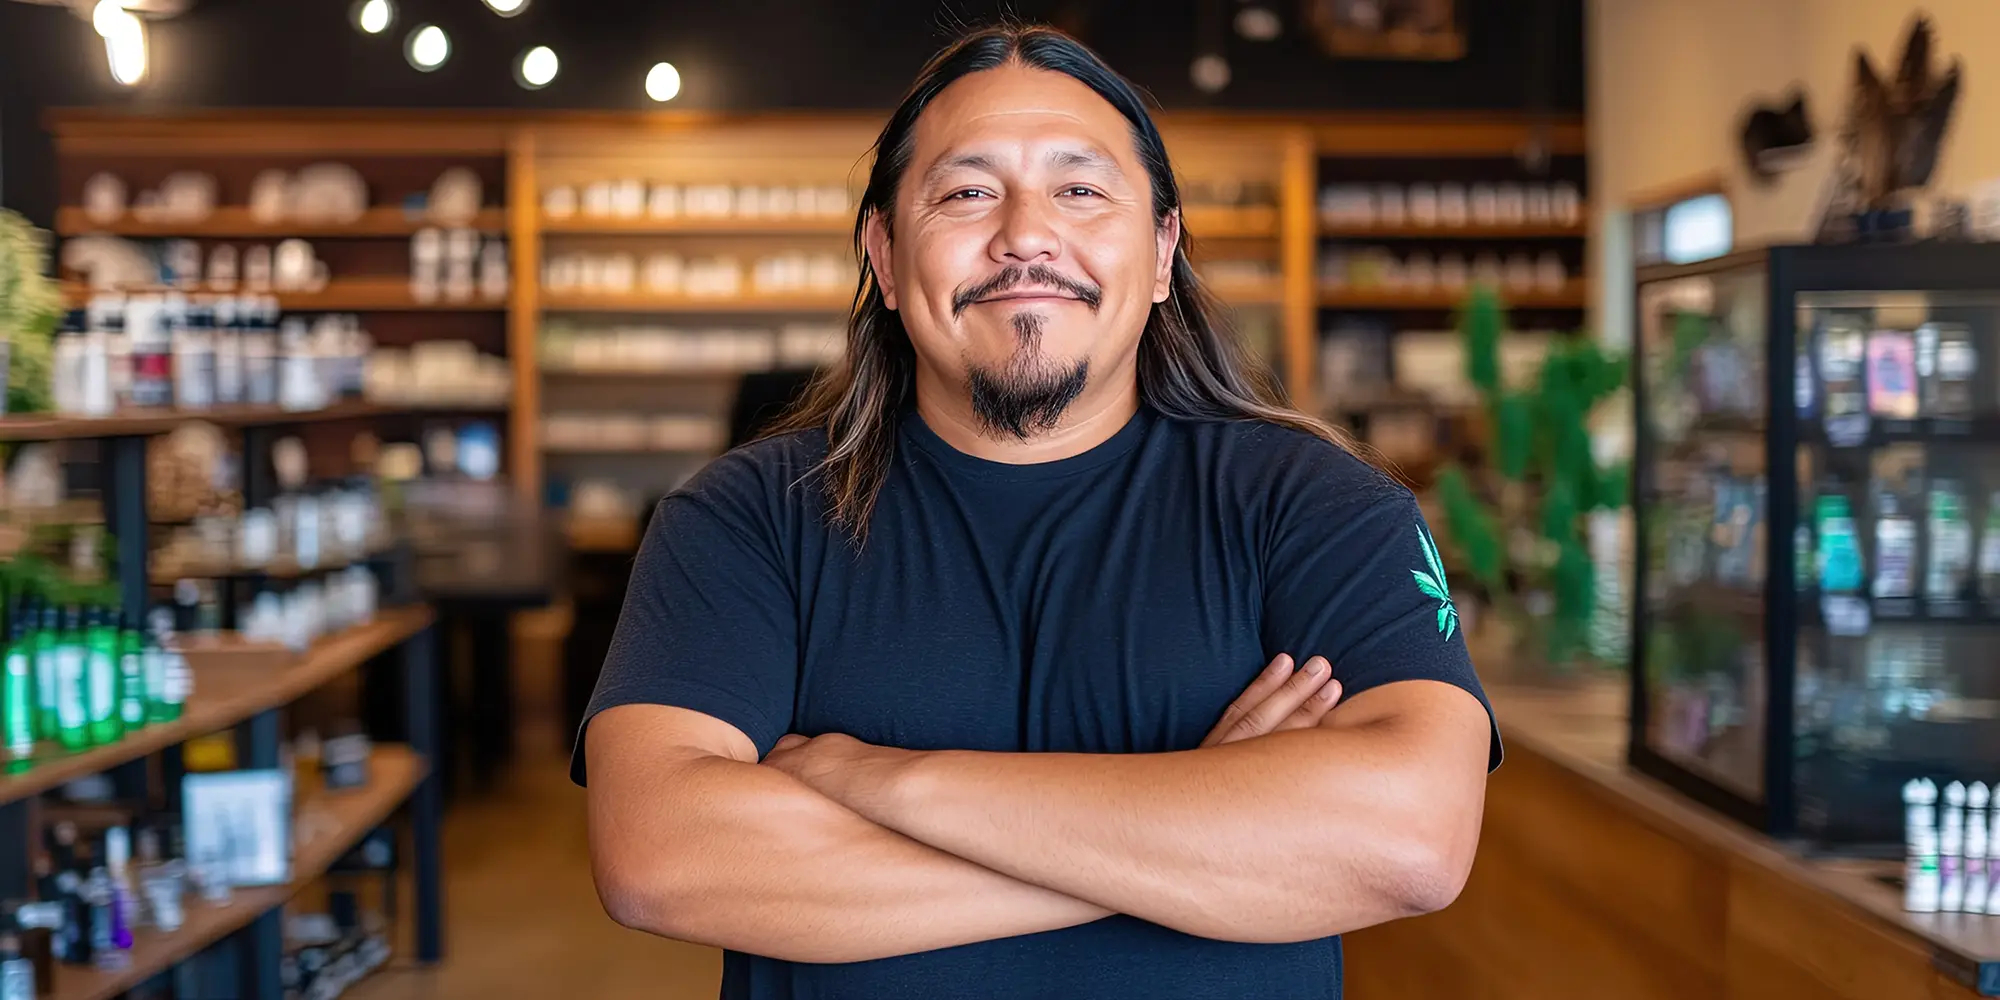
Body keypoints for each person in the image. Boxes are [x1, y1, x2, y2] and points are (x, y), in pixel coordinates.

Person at [575, 23, 1499, 1000]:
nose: (1023, 232)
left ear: (1158, 252)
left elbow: (1410, 842)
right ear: (883, 256)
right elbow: (658, 858)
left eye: (1079, 189)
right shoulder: (743, 519)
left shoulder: (1316, 507)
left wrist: (883, 778)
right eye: (967, 191)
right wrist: (1182, 825)